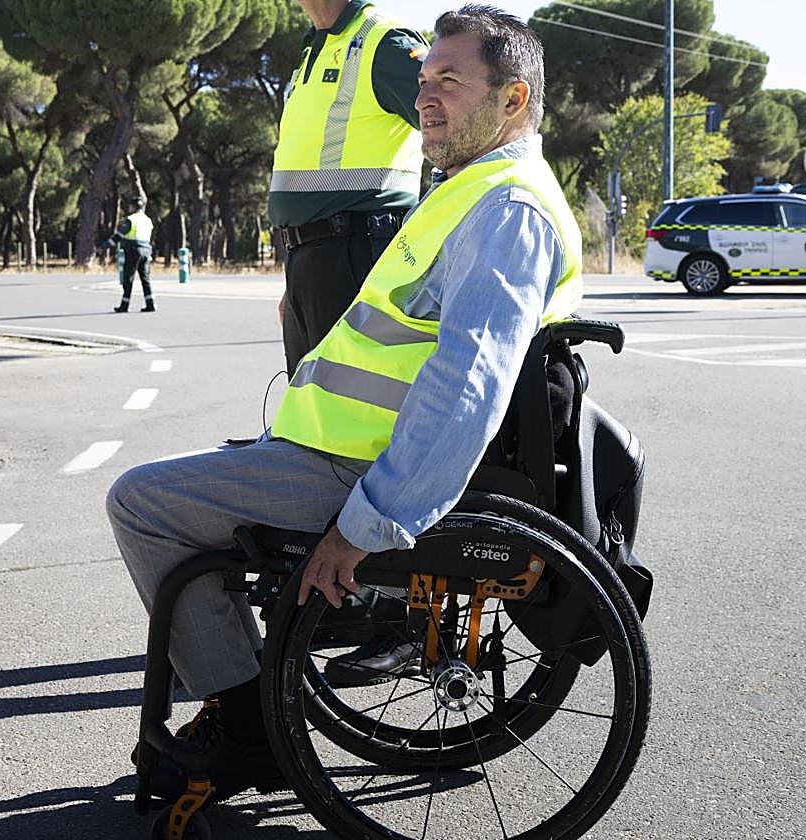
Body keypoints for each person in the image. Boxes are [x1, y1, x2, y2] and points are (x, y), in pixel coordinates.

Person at [109, 5, 582, 799]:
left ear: (512, 101)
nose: (425, 97)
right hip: (339, 449)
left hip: (359, 471)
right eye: (425, 80)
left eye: (450, 82)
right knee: (184, 491)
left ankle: (247, 719)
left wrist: (368, 524)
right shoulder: (474, 189)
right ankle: (244, 700)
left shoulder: (505, 209)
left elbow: (468, 388)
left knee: (144, 503)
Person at [272, 0, 427, 377]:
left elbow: (461, 132)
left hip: (357, 255)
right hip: (310, 261)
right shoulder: (314, 45)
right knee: (308, 414)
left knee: (347, 413)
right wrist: (295, 281)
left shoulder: (386, 43)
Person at [111, 197, 155, 313]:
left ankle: (124, 305)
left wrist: (105, 246)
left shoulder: (131, 219)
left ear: (134, 207)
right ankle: (150, 304)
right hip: (146, 251)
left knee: (128, 279)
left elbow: (119, 235)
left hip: (133, 251)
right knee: (145, 279)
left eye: (130, 205)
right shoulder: (148, 220)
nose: (128, 207)